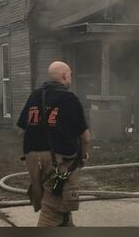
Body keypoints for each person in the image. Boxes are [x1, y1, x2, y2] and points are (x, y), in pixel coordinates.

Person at [17, 61, 91, 226]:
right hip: (58, 162)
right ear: (65, 76)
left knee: (59, 205)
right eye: (70, 73)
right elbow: (85, 137)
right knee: (51, 212)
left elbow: (22, 128)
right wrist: (82, 156)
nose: (71, 77)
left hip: (32, 159)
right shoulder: (69, 99)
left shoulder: (35, 95)